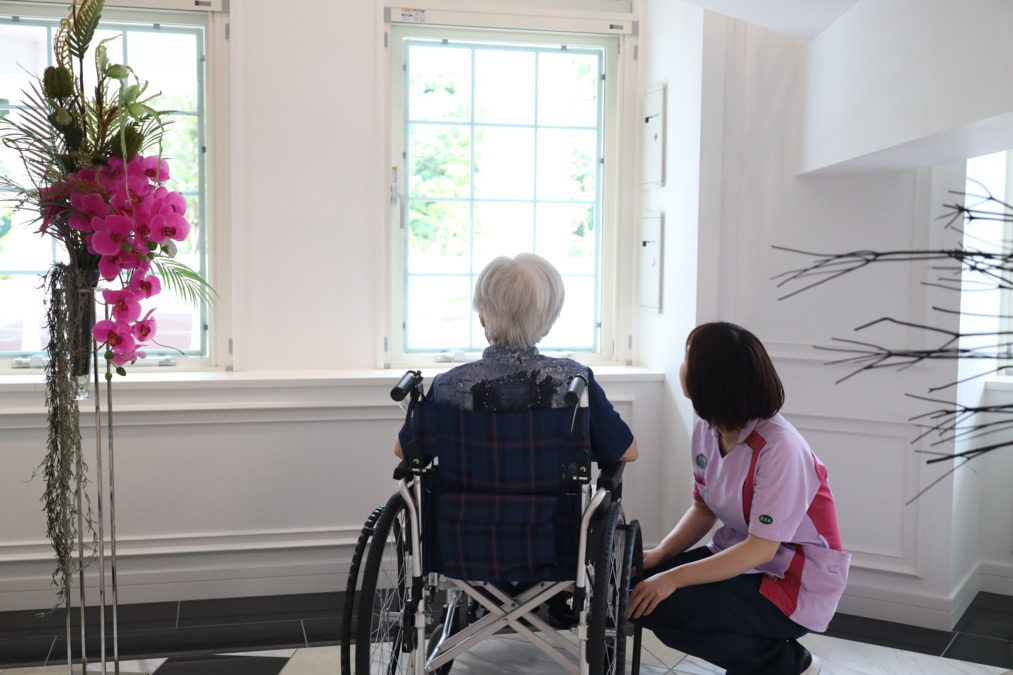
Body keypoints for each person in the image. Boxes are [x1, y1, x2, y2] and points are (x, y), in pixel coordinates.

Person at [628, 322, 849, 675]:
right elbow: (702, 509)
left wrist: (671, 579)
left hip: (791, 582)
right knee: (634, 586)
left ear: (712, 378)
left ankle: (786, 664)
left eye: (688, 358)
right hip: (742, 557)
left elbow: (760, 549)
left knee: (665, 605)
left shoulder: (780, 448)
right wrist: (659, 557)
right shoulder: (708, 426)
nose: (683, 367)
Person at [395, 252, 637, 466]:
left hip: (459, 515)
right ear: (548, 323)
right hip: (553, 516)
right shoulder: (574, 381)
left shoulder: (448, 385)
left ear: (482, 318)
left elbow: (403, 450)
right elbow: (628, 452)